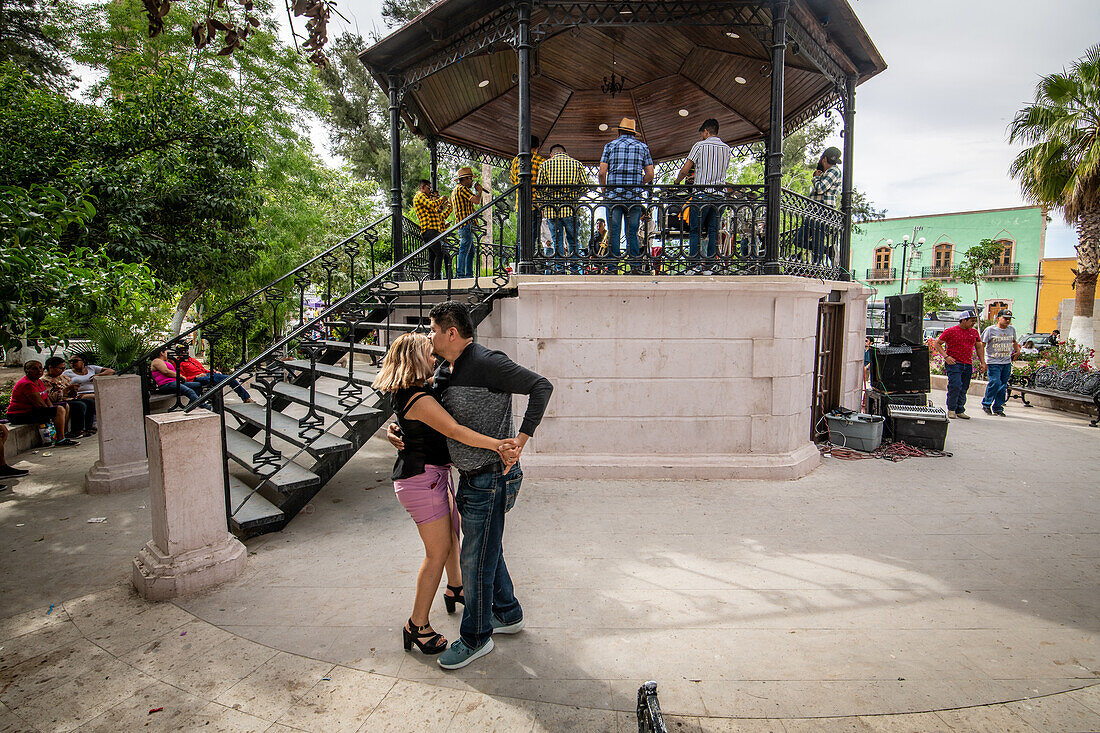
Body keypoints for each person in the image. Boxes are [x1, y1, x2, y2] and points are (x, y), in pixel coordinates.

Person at [389, 301, 552, 670]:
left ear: (450, 332)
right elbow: (424, 411)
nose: (428, 337)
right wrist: (396, 429)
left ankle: (476, 637)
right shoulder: (444, 369)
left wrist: (521, 439)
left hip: (491, 475)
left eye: (432, 330)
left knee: (475, 560)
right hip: (467, 476)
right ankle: (507, 613)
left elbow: (541, 386)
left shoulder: (487, 362)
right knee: (486, 549)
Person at [372, 333, 520, 655]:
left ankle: (456, 588)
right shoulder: (418, 397)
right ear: (415, 358)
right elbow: (453, 430)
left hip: (432, 477)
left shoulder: (416, 390)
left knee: (454, 536)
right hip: (421, 481)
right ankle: (417, 625)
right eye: (429, 352)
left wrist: (394, 429)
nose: (435, 356)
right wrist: (497, 445)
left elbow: (410, 423)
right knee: (436, 553)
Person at [675, 118, 731, 271]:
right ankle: (710, 266)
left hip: (701, 195)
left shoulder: (699, 146)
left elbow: (685, 169)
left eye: (702, 134)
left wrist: (677, 181)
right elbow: (719, 172)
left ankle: (694, 265)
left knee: (695, 230)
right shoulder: (727, 148)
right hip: (719, 196)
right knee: (713, 231)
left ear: (706, 131)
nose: (701, 136)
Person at [599, 117, 654, 273]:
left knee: (614, 232)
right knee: (632, 232)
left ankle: (612, 268)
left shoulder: (610, 146)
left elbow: (602, 172)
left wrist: (605, 191)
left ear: (619, 132)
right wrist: (638, 184)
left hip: (613, 197)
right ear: (634, 133)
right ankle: (635, 267)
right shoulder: (643, 147)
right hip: (634, 197)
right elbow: (650, 174)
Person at [536, 144, 590, 274]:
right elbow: (585, 187)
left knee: (557, 241)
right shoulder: (577, 164)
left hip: (552, 210)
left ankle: (559, 270)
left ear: (551, 154)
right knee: (573, 240)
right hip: (570, 209)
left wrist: (548, 198)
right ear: (565, 153)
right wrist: (573, 195)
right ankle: (575, 269)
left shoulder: (545, 165)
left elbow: (539, 190)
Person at [5, 361, 78, 447]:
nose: (39, 370)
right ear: (27, 370)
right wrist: (51, 413)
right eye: (35, 368)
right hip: (19, 415)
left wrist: (51, 408)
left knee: (65, 406)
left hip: (32, 410)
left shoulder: (38, 381)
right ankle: (60, 439)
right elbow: (39, 404)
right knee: (59, 409)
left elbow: (46, 399)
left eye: (40, 368)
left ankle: (64, 434)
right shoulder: (27, 384)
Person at [934, 311, 987, 420]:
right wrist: (946, 356)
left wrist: (982, 362)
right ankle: (952, 409)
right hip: (954, 363)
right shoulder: (951, 331)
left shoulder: (974, 332)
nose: (973, 323)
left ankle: (960, 409)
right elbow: (937, 343)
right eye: (971, 321)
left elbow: (979, 347)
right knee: (955, 385)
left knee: (964, 387)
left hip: (967, 364)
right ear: (964, 320)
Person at [803, 146, 842, 264]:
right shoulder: (825, 173)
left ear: (824, 159)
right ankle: (828, 250)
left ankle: (817, 266)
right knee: (799, 240)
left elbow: (820, 189)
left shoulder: (834, 171)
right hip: (813, 210)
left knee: (818, 240)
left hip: (823, 209)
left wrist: (815, 178)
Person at [980, 309, 1020, 416]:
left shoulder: (1011, 329)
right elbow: (982, 345)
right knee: (995, 382)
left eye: (1009, 319)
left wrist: (1017, 351)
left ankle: (998, 407)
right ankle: (987, 404)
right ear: (998, 318)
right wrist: (982, 361)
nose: (1007, 321)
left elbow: (1014, 342)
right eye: (1005, 318)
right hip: (993, 361)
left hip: (1006, 362)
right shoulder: (990, 330)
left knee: (1003, 385)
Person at [177, 347, 254, 402]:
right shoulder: (178, 363)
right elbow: (182, 378)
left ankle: (246, 398)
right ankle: (212, 398)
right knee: (214, 379)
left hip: (206, 375)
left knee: (230, 378)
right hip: (196, 378)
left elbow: (203, 370)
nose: (184, 353)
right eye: (182, 351)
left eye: (185, 350)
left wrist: (213, 372)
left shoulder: (192, 360)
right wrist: (196, 376)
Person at [42, 356, 93, 437]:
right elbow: (51, 396)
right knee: (79, 405)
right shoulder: (45, 381)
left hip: (69, 398)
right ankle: (77, 430)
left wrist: (73, 390)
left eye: (63, 369)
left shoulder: (63, 378)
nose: (62, 371)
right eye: (60, 368)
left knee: (90, 402)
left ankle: (87, 427)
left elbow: (71, 392)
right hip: (58, 401)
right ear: (51, 367)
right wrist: (65, 390)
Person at [413, 179, 453, 280]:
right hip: (429, 230)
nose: (430, 190)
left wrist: (444, 205)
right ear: (422, 187)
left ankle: (432, 277)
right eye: (428, 187)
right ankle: (437, 277)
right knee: (439, 253)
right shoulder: (420, 195)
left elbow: (436, 212)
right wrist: (441, 199)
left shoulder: (426, 199)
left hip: (432, 231)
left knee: (432, 255)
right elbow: (431, 205)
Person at [510, 136, 544, 249]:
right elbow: (544, 184)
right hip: (535, 204)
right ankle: (529, 263)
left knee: (521, 237)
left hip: (520, 204)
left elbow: (513, 180)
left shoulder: (516, 160)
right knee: (532, 237)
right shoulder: (541, 161)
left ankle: (521, 263)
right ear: (537, 147)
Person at [451, 167, 486, 279]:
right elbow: (476, 200)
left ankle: (468, 274)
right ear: (464, 179)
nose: (471, 181)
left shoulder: (455, 190)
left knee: (470, 252)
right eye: (470, 178)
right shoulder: (462, 189)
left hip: (462, 224)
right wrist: (479, 191)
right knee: (464, 250)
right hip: (465, 224)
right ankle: (461, 275)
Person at [63, 355, 114, 431]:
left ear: (83, 361)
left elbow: (111, 371)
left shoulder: (91, 368)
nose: (73, 363)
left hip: (95, 392)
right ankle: (95, 420)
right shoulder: (67, 373)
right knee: (95, 397)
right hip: (80, 394)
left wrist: (98, 375)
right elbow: (64, 386)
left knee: (106, 396)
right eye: (71, 361)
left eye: (75, 361)